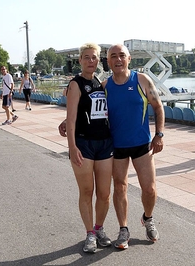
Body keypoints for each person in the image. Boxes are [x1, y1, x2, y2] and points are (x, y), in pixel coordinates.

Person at [59, 44, 165, 250]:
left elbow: (158, 107)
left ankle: (148, 218)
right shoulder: (104, 86)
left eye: (121, 56)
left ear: (129, 58)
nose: (118, 59)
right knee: (119, 188)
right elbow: (86, 106)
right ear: (108, 61)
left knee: (150, 189)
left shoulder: (142, 80)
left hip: (142, 144)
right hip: (115, 146)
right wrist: (67, 122)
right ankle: (123, 228)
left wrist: (159, 134)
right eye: (113, 56)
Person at [66, 43, 114, 253]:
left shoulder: (100, 84)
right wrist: (72, 147)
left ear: (99, 60)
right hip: (83, 144)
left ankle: (99, 228)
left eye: (94, 57)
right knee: (87, 191)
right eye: (86, 57)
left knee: (104, 193)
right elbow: (71, 119)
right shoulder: (75, 84)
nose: (90, 61)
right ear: (80, 60)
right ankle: (89, 234)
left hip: (104, 144)